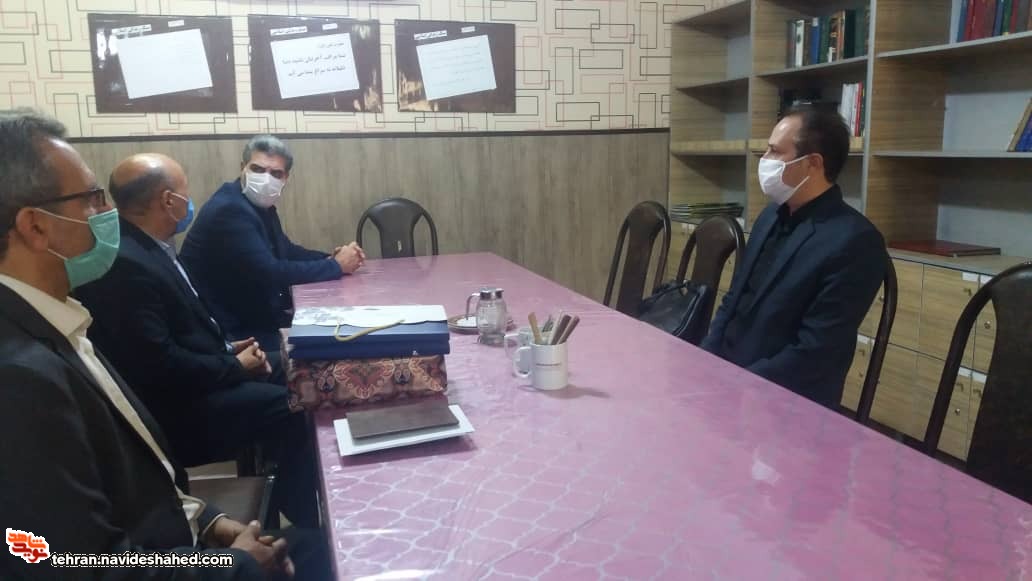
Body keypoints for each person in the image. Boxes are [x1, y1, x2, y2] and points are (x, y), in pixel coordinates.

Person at [0, 110, 314, 579]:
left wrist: (211, 522)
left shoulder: (57, 321)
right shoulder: (19, 378)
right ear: (36, 226)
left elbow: (137, 477)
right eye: (92, 200)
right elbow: (78, 567)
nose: (107, 215)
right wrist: (236, 566)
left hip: (188, 535)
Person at [75, 153, 320, 529]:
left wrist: (229, 350)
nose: (189, 202)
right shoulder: (126, 264)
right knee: (295, 406)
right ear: (167, 201)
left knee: (299, 370)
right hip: (178, 411)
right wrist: (232, 366)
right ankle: (307, 524)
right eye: (185, 193)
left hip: (205, 370)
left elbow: (182, 329)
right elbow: (159, 365)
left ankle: (290, 497)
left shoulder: (150, 245)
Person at [701, 105, 887, 409]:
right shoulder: (770, 216)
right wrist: (705, 360)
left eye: (775, 151)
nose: (764, 160)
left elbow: (816, 350)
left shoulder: (855, 241)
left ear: (813, 163)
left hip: (783, 400)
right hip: (727, 380)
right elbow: (733, 299)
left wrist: (738, 385)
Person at [180, 135, 364, 349]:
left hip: (253, 316)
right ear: (242, 168)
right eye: (257, 169)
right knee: (335, 344)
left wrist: (330, 258)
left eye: (276, 173)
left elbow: (286, 250)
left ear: (286, 178)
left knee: (342, 328)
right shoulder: (229, 209)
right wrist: (336, 266)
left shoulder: (258, 206)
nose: (266, 179)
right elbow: (270, 272)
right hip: (231, 333)